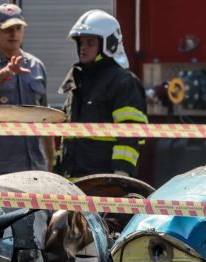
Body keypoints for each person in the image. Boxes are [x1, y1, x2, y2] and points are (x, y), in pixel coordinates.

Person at [0, 3, 54, 179]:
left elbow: (46, 117)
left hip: (34, 168)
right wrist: (7, 72)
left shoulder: (36, 66)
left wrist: (50, 162)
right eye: (7, 29)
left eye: (18, 28)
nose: (14, 33)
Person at [57, 9, 147, 179]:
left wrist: (120, 174)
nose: (83, 48)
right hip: (71, 184)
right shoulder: (78, 81)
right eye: (81, 43)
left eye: (90, 43)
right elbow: (66, 133)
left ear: (109, 44)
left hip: (103, 185)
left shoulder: (123, 82)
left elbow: (131, 133)